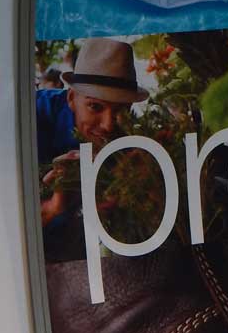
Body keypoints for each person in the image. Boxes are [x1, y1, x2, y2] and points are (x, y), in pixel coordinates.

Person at [35, 38, 147, 229]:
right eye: (95, 106)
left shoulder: (130, 139)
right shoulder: (31, 118)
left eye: (121, 110)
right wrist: (53, 206)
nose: (109, 125)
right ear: (71, 98)